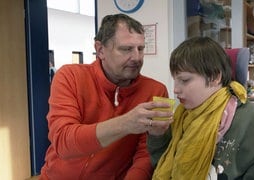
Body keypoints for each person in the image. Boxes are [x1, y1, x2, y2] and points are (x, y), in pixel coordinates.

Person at [40, 13, 173, 180]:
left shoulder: (156, 90)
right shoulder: (70, 76)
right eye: (126, 49)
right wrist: (126, 123)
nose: (137, 57)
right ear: (100, 50)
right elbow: (63, 142)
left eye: (141, 48)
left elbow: (145, 155)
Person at [147, 37, 254, 180]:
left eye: (184, 80)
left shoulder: (253, 122)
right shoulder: (182, 116)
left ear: (214, 77)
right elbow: (163, 166)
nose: (175, 89)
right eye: (175, 80)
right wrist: (157, 136)